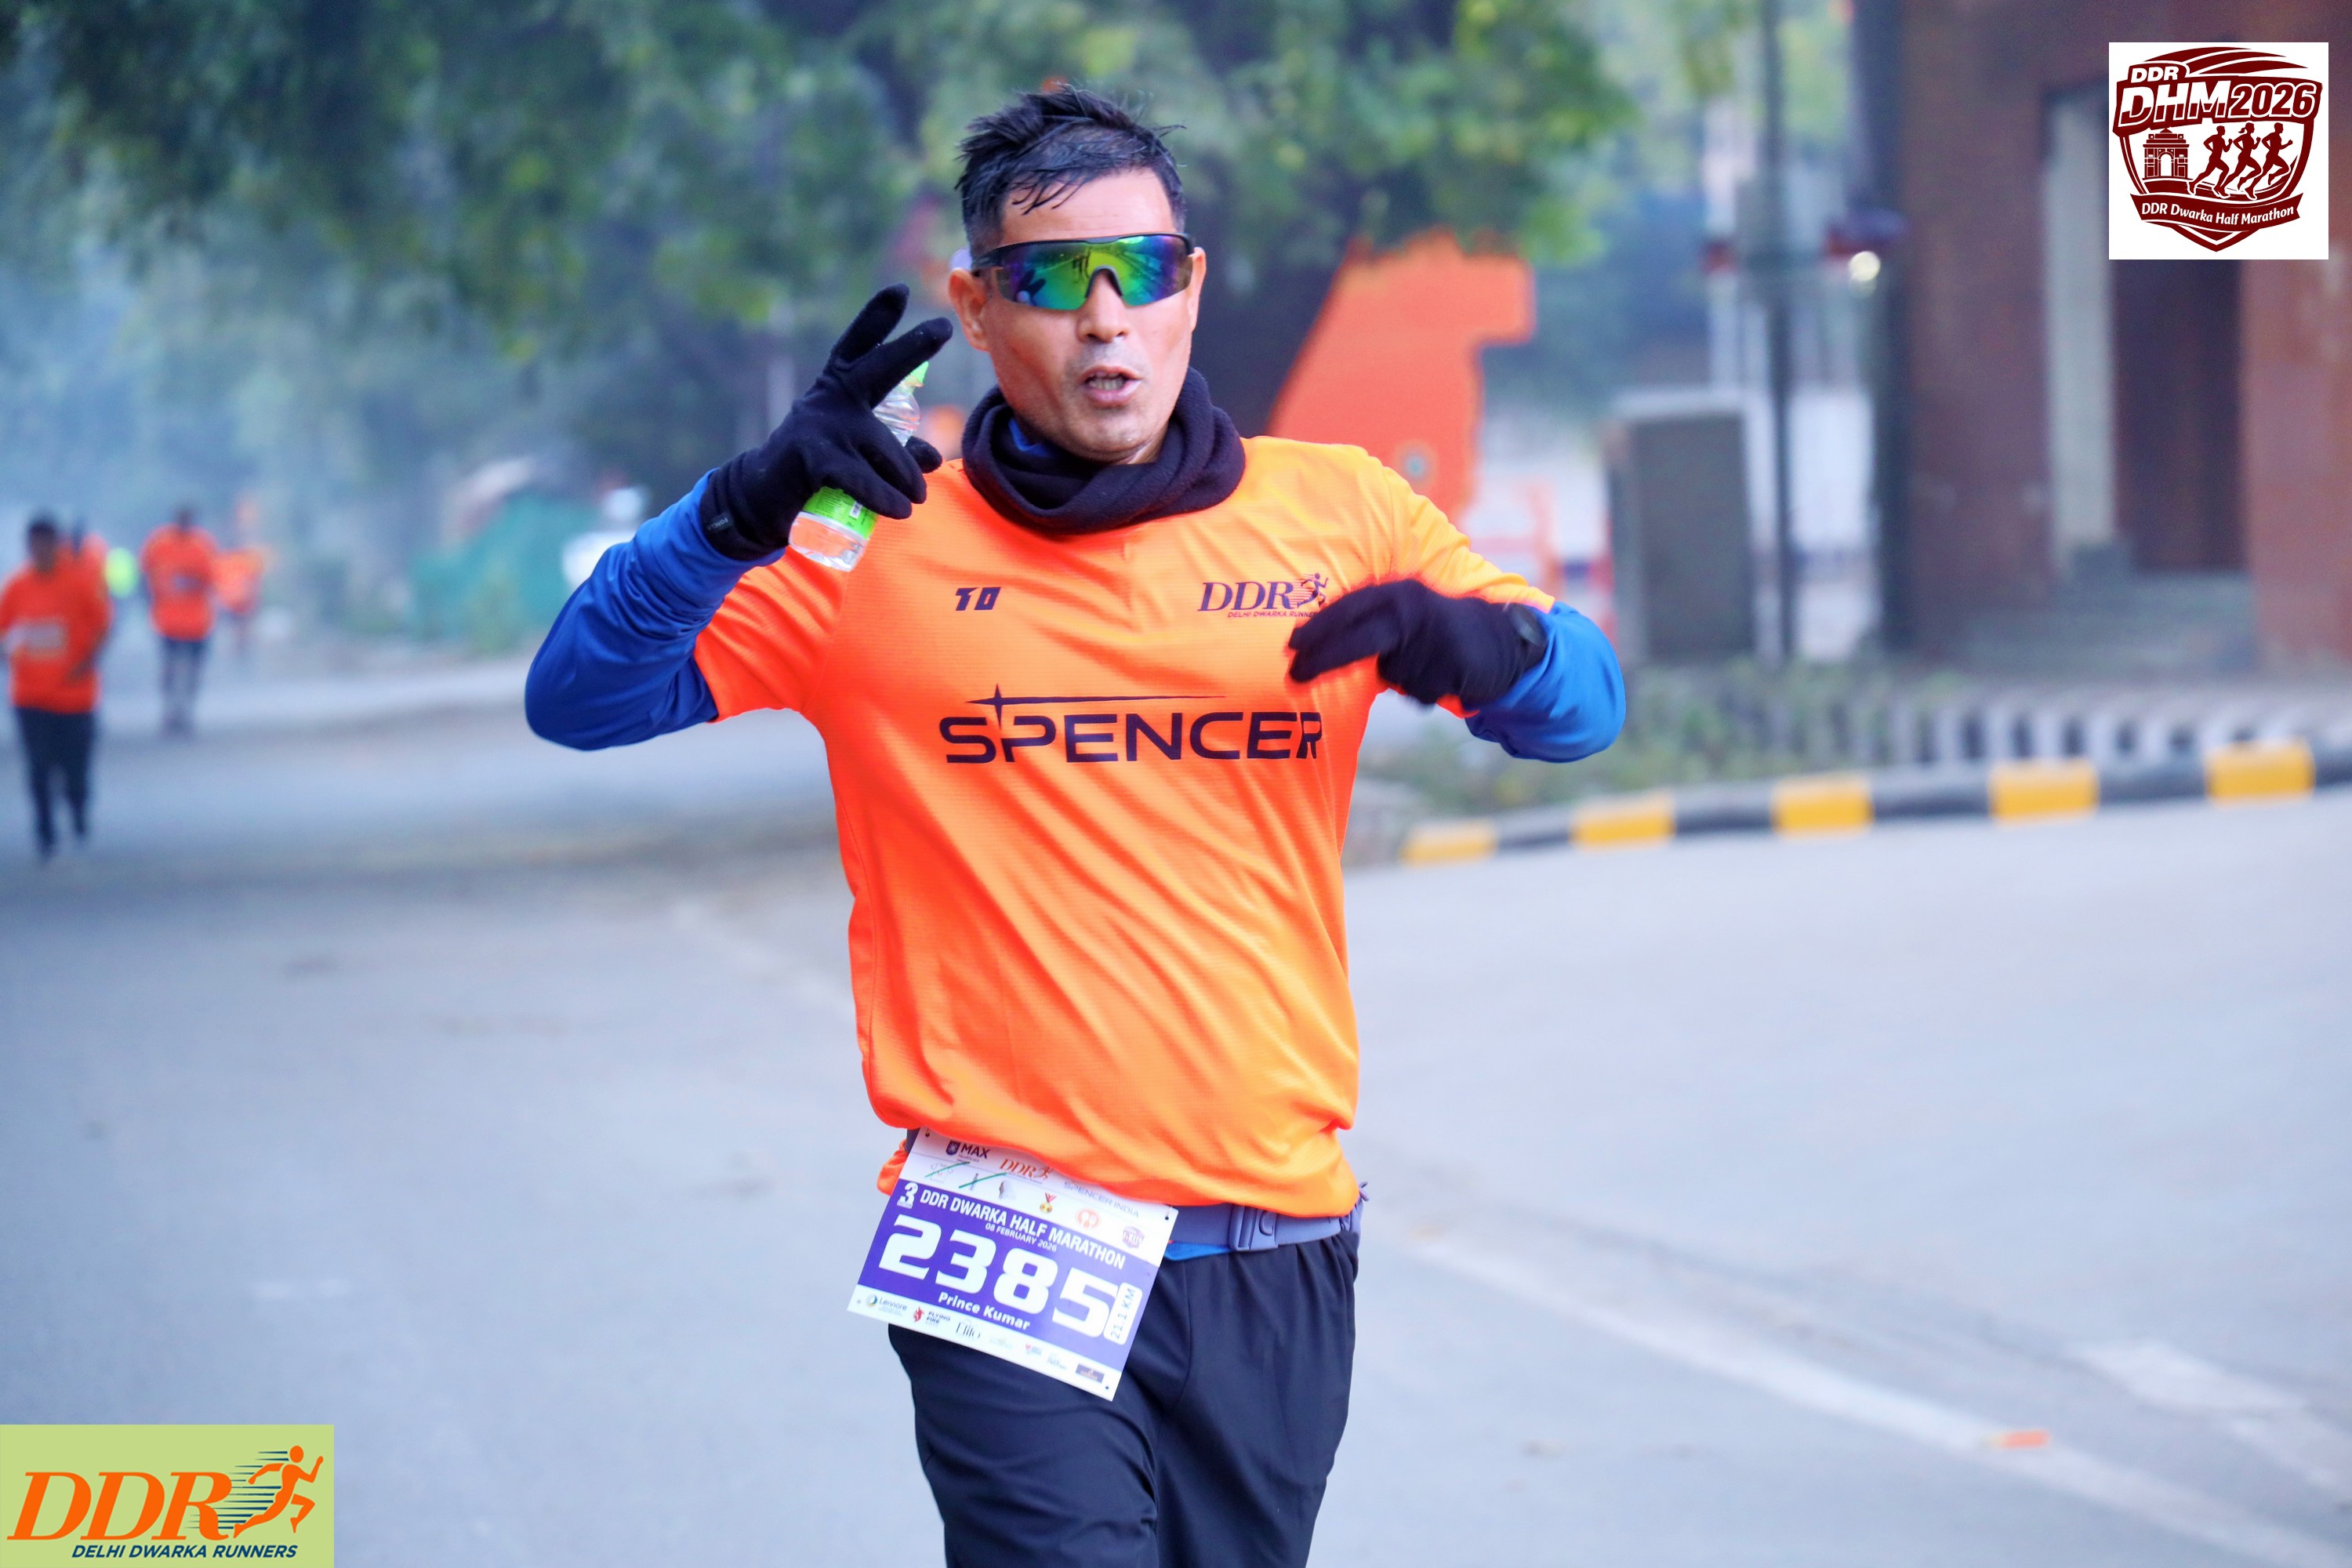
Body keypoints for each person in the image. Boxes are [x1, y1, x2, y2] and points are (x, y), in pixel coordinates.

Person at [526, 87, 1624, 1568]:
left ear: (1193, 288)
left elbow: (1585, 708)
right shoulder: (874, 540)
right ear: (979, 307)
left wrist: (1487, 647)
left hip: (1270, 1238)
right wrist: (733, 511)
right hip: (1007, 1232)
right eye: (1052, 279)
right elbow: (580, 698)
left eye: (1142, 271)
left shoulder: (1342, 514)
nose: (1107, 318)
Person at [2, 515, 111, 858]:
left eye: (45, 544)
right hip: (30, 696)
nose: (40, 551)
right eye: (33, 545)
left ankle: (78, 808)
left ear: (56, 545)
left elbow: (103, 625)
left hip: (74, 697)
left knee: (74, 766)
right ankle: (45, 830)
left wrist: (87, 663)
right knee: (38, 766)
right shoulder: (17, 587)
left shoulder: (79, 583)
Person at [141, 504, 219, 735]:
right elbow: (146, 573)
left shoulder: (202, 544)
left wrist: (189, 582)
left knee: (192, 669)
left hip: (197, 622)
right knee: (170, 667)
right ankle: (170, 710)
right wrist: (152, 599)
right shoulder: (159, 543)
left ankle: (186, 710)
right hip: (169, 620)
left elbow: (211, 579)